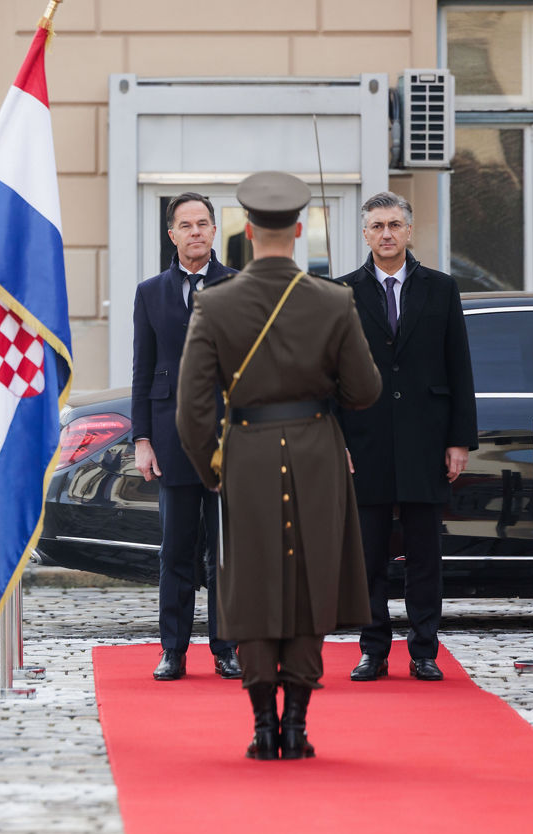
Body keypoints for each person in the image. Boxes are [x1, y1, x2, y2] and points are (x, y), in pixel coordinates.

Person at [176, 171, 380, 760]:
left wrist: (215, 471)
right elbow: (364, 390)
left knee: (254, 583)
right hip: (317, 452)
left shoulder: (214, 303)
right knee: (311, 583)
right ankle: (296, 725)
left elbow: (192, 411)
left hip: (247, 455)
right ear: (297, 229)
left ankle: (264, 727)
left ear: (245, 230)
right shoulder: (334, 300)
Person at [336, 192, 477, 682]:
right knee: (368, 556)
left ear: (409, 231)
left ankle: (424, 651)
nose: (387, 234)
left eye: (394, 224)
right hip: (365, 440)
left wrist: (459, 440)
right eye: (377, 226)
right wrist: (337, 440)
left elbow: (459, 366)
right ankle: (373, 650)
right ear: (365, 234)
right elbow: (328, 374)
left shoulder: (441, 288)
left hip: (426, 440)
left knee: (424, 555)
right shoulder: (342, 293)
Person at [131, 192, 240, 681]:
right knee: (175, 549)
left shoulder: (238, 287)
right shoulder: (150, 292)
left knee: (226, 552)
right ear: (172, 234)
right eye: (186, 225)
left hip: (227, 438)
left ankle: (226, 648)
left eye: (203, 223)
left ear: (214, 230)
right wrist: (142, 439)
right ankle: (172, 650)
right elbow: (142, 370)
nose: (196, 232)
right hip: (171, 437)